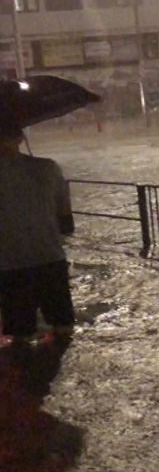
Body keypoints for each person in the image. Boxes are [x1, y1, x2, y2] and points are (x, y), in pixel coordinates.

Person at [0, 117, 75, 345]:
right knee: (60, 325)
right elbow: (65, 211)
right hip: (43, 258)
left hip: (15, 262)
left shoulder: (46, 168)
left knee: (22, 332)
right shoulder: (47, 167)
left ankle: (31, 373)